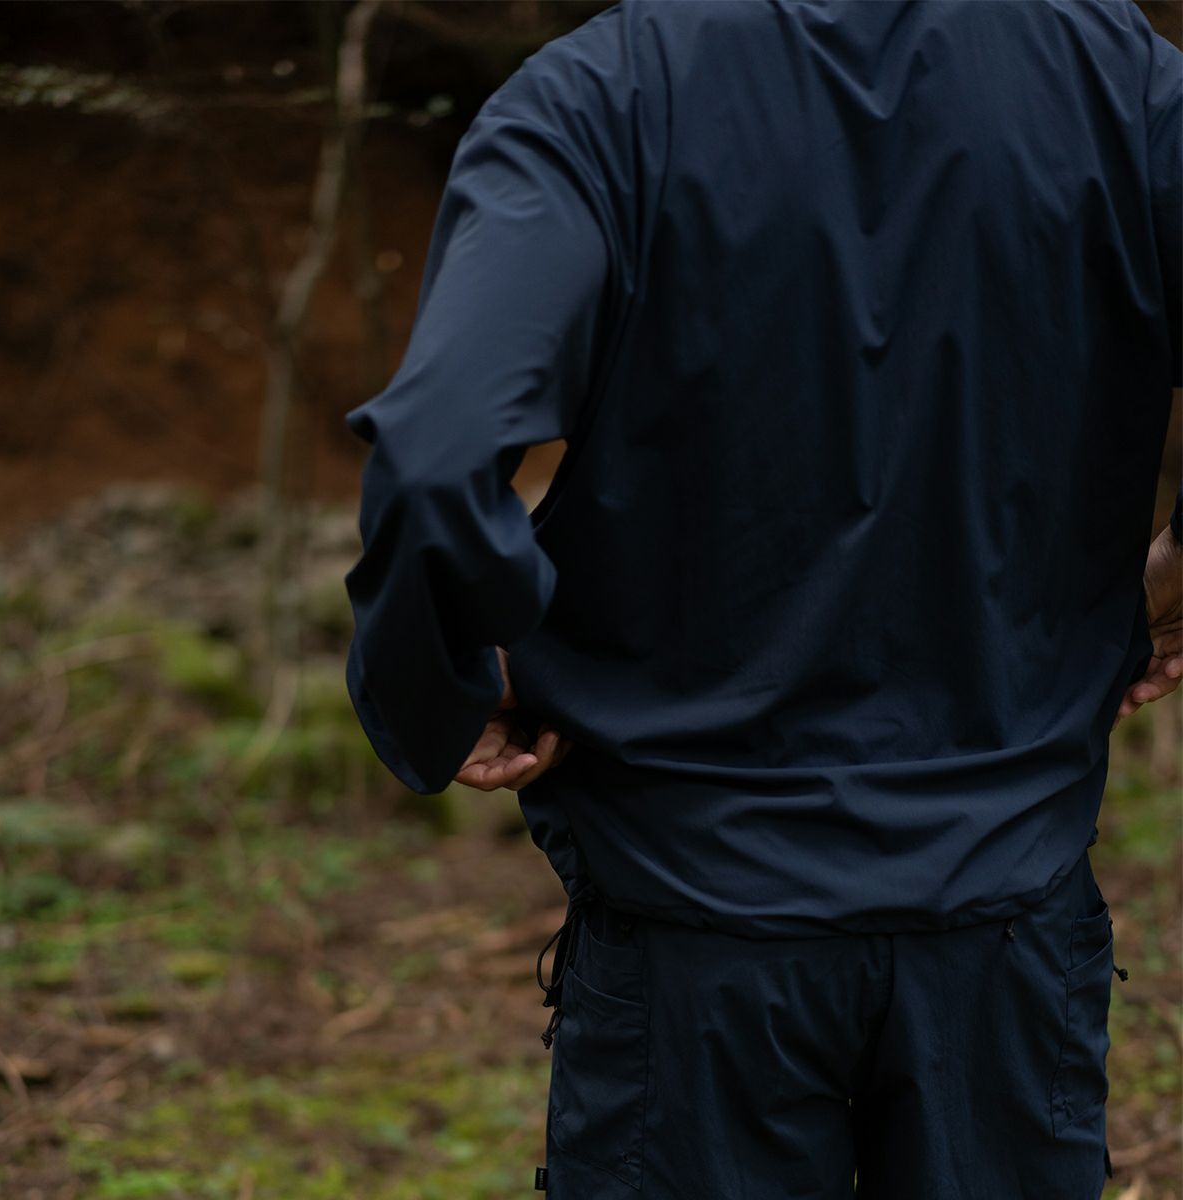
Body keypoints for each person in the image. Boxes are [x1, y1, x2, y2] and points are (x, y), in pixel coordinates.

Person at [343, 1, 1182, 1196]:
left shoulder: (600, 99)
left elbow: (435, 453)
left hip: (694, 938)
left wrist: (443, 680)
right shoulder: (1122, 84)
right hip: (1003, 925)